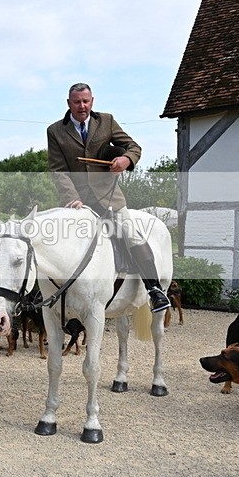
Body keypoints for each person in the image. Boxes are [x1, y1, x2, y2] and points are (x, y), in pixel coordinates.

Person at [47, 83, 170, 312]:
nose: (82, 106)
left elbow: (133, 147)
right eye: (77, 102)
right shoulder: (54, 131)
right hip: (77, 202)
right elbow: (58, 170)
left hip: (109, 198)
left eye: (86, 101)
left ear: (92, 101)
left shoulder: (107, 121)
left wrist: (126, 159)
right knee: (57, 242)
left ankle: (154, 290)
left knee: (132, 235)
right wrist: (72, 197)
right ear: (68, 103)